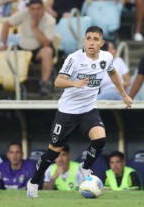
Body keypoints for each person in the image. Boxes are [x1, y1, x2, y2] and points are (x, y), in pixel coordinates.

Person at [26, 26, 133, 198]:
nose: (92, 42)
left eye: (96, 39)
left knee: (100, 140)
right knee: (53, 153)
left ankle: (85, 167)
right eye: (88, 38)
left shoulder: (106, 57)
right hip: (67, 112)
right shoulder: (74, 58)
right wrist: (75, 83)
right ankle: (33, 182)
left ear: (102, 43)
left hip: (88, 109)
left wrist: (124, 95)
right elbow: (58, 82)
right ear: (84, 40)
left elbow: (112, 72)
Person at [0, 0, 56, 95]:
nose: (36, 12)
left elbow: (46, 43)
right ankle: (10, 86)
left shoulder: (49, 20)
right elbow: (6, 24)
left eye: (38, 8)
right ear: (29, 9)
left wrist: (34, 27)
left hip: (39, 49)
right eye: (33, 9)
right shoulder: (24, 13)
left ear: (43, 8)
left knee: (48, 51)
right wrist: (3, 44)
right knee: (5, 52)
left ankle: (45, 83)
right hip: (23, 47)